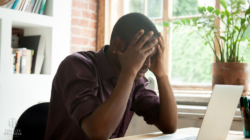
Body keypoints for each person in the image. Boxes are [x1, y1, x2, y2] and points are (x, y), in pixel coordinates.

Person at [45, 13, 178, 140]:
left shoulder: (135, 78)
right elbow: (98, 133)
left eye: (151, 55)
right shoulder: (77, 65)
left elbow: (169, 126)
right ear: (117, 44)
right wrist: (129, 71)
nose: (148, 64)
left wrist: (162, 74)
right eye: (141, 53)